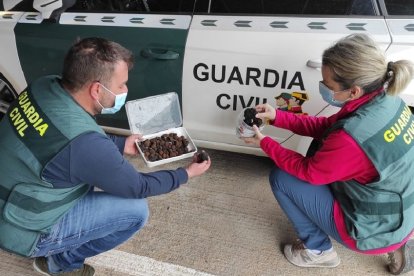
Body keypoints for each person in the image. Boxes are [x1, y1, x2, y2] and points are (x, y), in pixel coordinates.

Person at [0, 37, 211, 275]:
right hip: (21, 227)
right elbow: (137, 187)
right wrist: (185, 174)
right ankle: (60, 263)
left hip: (15, 190)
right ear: (97, 89)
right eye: (121, 85)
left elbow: (64, 139)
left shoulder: (44, 86)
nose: (125, 91)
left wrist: (120, 145)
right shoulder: (85, 146)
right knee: (136, 212)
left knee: (87, 173)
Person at [242, 33, 414, 274]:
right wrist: (278, 117)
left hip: (368, 230)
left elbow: (309, 172)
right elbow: (326, 128)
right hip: (404, 211)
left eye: (328, 86)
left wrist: (265, 143)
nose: (323, 89)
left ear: (353, 91)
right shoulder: (389, 101)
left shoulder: (351, 137)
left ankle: (318, 250)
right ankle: (399, 241)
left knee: (282, 178)